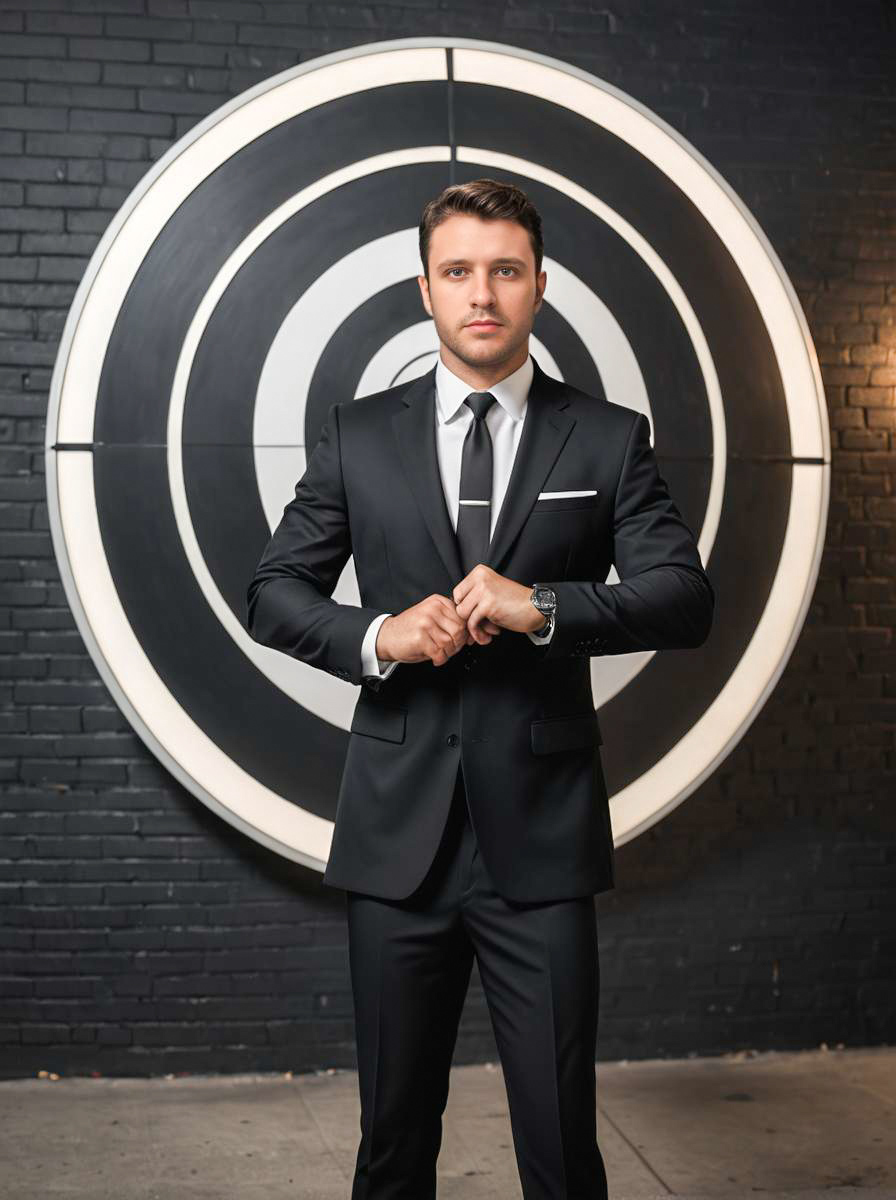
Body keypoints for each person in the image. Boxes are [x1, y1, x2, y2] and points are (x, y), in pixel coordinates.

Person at [246, 177, 714, 1199]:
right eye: (458, 271)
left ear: (538, 287)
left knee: (558, 1152)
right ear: (425, 290)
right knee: (390, 1146)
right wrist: (378, 633)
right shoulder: (357, 432)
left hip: (538, 846)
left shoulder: (602, 436)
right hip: (394, 840)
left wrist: (543, 605)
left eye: (504, 271)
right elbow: (273, 594)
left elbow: (683, 598)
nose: (482, 294)